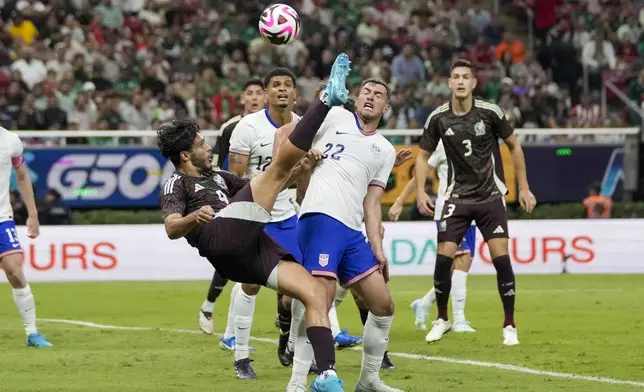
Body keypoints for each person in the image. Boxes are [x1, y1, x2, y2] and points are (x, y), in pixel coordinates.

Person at [158, 52, 352, 391]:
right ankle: (326, 100)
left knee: (316, 292)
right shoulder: (177, 183)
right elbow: (171, 227)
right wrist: (193, 216)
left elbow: (273, 186)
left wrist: (302, 170)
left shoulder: (218, 176)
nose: (209, 149)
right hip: (221, 236)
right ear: (186, 155)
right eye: (203, 145)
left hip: (249, 248)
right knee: (274, 170)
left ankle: (325, 376)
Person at [286, 78, 402, 392]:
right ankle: (302, 381)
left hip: (352, 232)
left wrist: (377, 246)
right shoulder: (334, 116)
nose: (371, 97)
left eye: (379, 94)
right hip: (320, 217)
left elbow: (373, 202)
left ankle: (368, 381)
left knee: (382, 304)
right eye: (366, 92)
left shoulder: (385, 150)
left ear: (385, 107)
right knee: (317, 300)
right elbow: (300, 139)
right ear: (356, 97)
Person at [414, 59, 537, 346]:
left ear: (473, 83)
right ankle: (442, 319)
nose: (460, 81)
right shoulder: (438, 118)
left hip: (490, 197)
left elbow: (515, 146)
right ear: (448, 83)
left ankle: (509, 325)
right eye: (455, 76)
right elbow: (421, 156)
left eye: (465, 77)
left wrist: (524, 188)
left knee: (501, 260)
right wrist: (420, 192)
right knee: (444, 259)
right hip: (456, 198)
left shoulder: (490, 112)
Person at [198, 78, 266, 336]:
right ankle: (211, 309)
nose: (254, 98)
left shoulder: (279, 125)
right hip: (239, 196)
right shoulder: (231, 128)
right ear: (242, 99)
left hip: (274, 200)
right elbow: (214, 164)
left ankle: (285, 316)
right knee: (234, 257)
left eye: (259, 93)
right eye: (249, 93)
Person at [389, 140, 477, 334]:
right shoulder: (445, 144)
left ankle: (424, 303)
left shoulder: (479, 142)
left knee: (461, 265)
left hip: (473, 209)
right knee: (462, 259)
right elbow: (420, 173)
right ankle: (460, 319)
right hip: (449, 209)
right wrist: (399, 201)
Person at [0, 127, 53, 348]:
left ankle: (32, 333)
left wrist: (33, 213)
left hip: (2, 217)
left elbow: (22, 176)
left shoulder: (10, 140)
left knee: (15, 271)